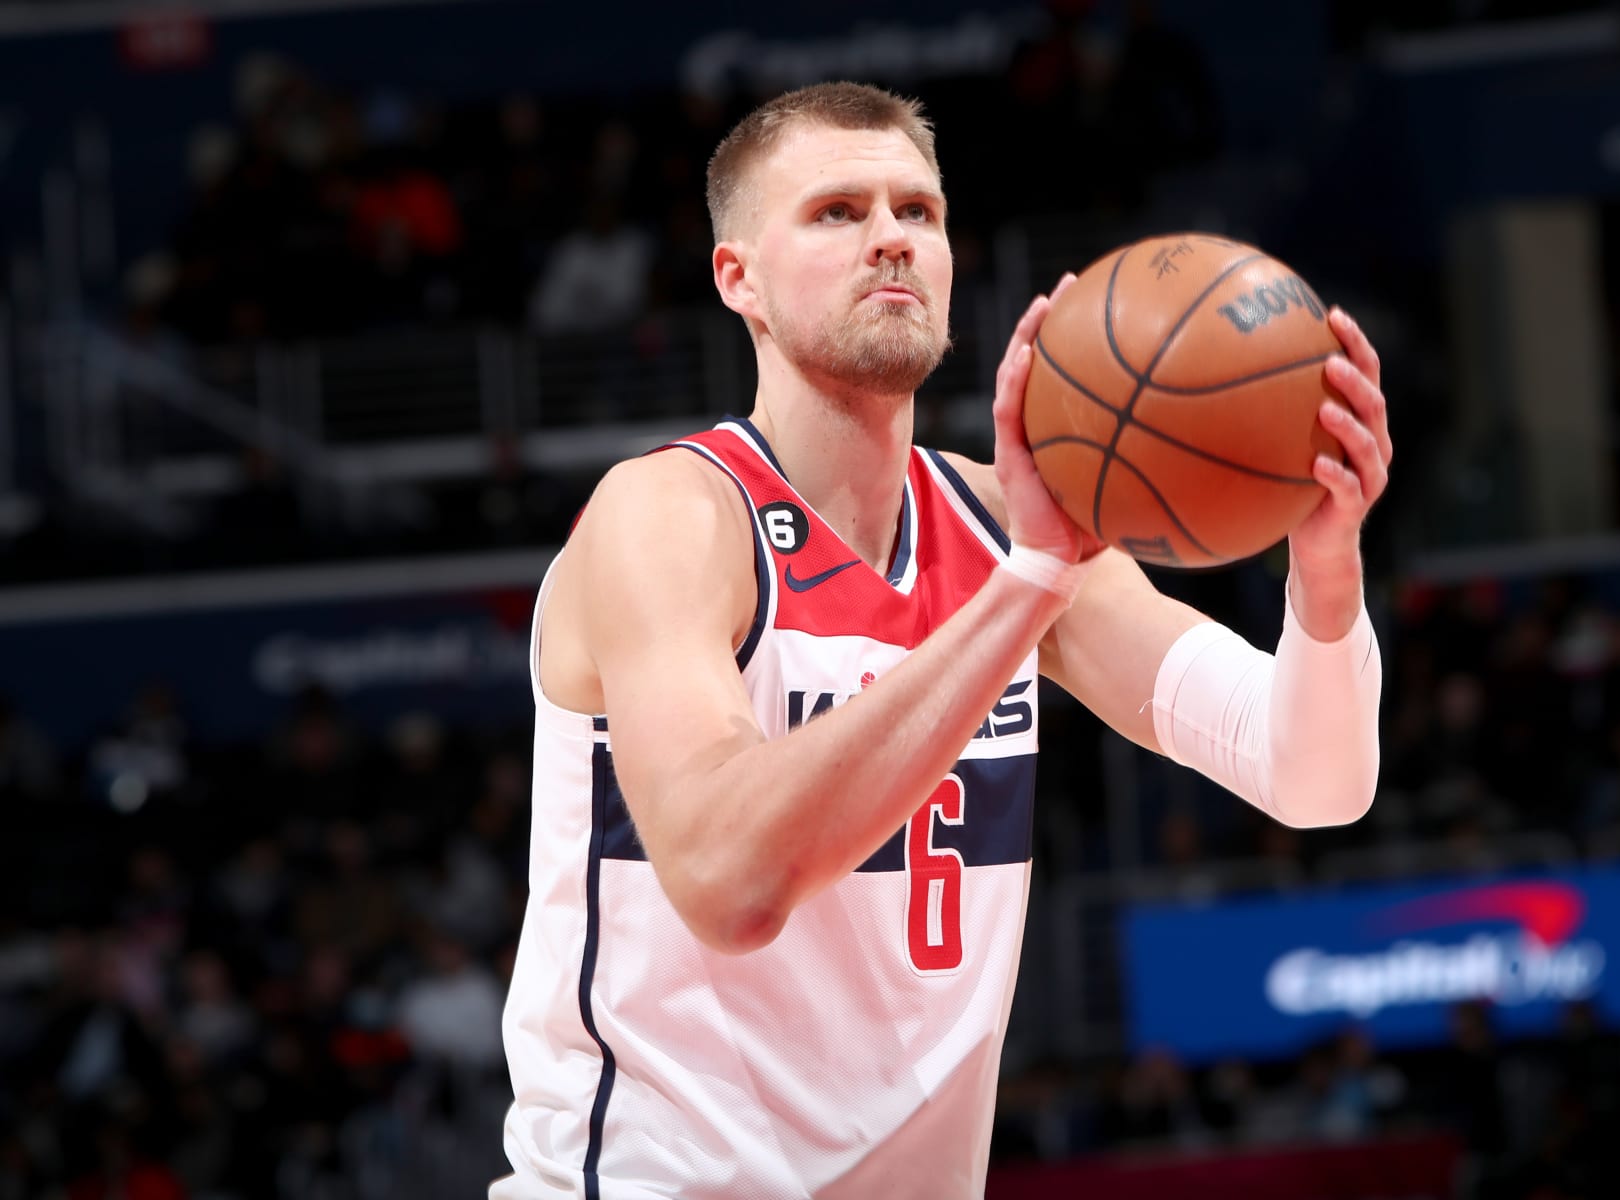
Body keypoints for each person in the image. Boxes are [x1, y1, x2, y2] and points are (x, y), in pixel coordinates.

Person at [491, 82, 1389, 1200]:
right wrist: (1031, 585)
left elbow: (1313, 780)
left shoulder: (1010, 526)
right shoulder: (671, 517)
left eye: (918, 211)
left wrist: (1326, 569)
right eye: (837, 212)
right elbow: (729, 881)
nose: (891, 239)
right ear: (739, 279)